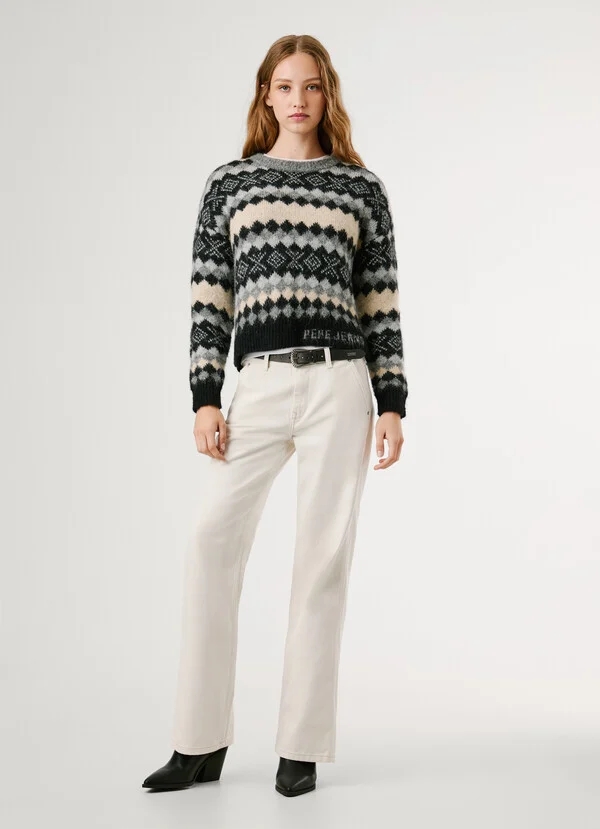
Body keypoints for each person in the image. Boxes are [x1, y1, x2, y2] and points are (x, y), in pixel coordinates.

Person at [142, 33, 408, 798]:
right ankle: (199, 741)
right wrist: (204, 394)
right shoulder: (231, 184)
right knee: (210, 543)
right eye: (285, 86)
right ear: (266, 95)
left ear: (328, 95)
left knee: (322, 562)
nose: (298, 99)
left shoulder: (361, 190)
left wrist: (392, 400)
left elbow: (380, 301)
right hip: (256, 385)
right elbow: (210, 295)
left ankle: (300, 746)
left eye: (312, 86)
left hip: (339, 384)